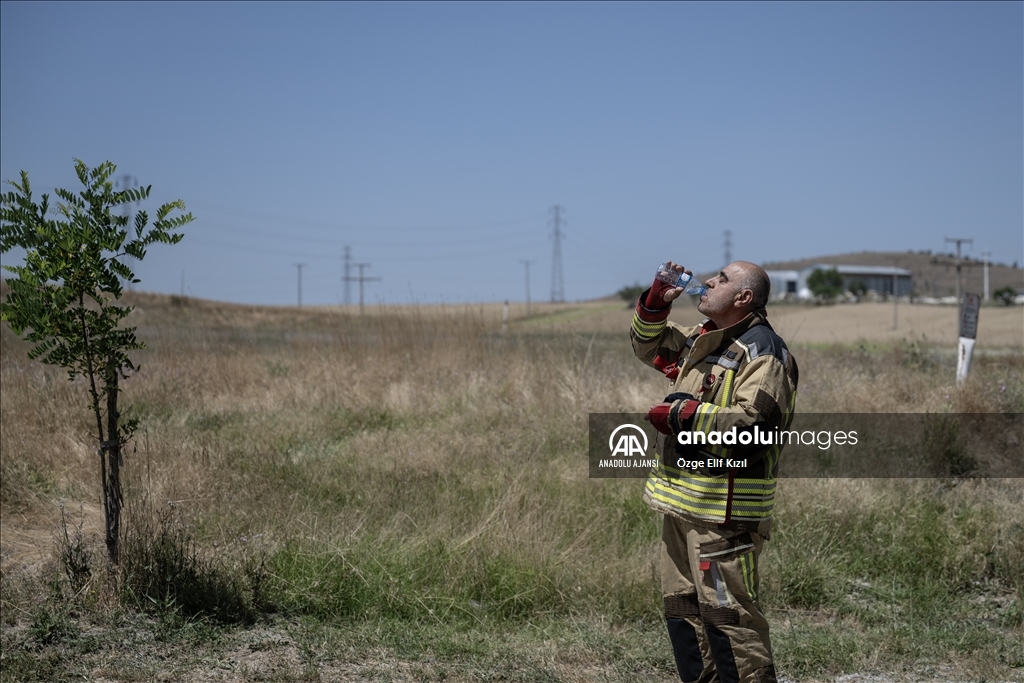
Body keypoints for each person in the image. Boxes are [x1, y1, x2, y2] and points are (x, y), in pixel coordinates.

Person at [630, 260, 798, 683]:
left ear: (743, 298)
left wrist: (683, 414)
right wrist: (654, 303)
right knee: (684, 612)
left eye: (722, 279)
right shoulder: (704, 339)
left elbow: (756, 425)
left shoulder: (764, 352)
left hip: (724, 516)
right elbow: (648, 348)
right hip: (681, 505)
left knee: (729, 620)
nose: (707, 281)